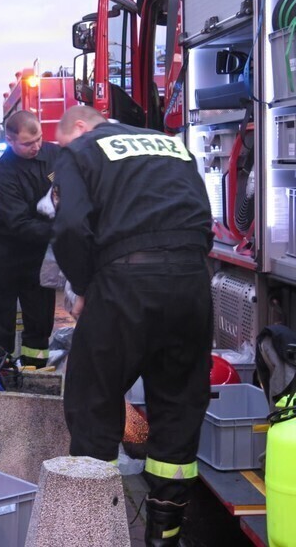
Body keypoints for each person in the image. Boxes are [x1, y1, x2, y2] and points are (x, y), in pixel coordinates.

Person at [52, 105, 213, 546]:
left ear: (80, 128)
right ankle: (164, 535)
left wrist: (85, 284)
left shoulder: (81, 150)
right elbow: (202, 215)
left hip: (123, 285)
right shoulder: (172, 146)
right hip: (191, 284)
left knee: (94, 401)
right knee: (179, 406)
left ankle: (92, 531)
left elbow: (68, 228)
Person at [0, 110, 58, 367]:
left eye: (38, 139)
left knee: (40, 323)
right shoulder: (3, 173)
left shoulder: (54, 156)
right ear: (11, 141)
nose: (36, 146)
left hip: (40, 260)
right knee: (1, 324)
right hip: (8, 259)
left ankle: (36, 372)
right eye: (27, 143)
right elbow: (19, 224)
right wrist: (62, 231)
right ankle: (2, 375)